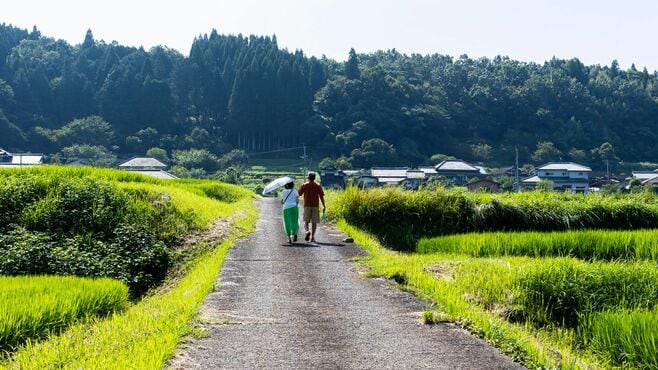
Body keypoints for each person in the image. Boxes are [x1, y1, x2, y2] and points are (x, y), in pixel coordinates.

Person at [298, 172, 325, 242]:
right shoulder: (318, 186)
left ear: (308, 177)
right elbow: (321, 196)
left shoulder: (304, 185)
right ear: (314, 178)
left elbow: (299, 193)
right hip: (315, 206)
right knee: (314, 222)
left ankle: (307, 231)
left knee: (306, 221)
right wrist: (324, 205)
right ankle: (312, 237)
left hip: (307, 205)